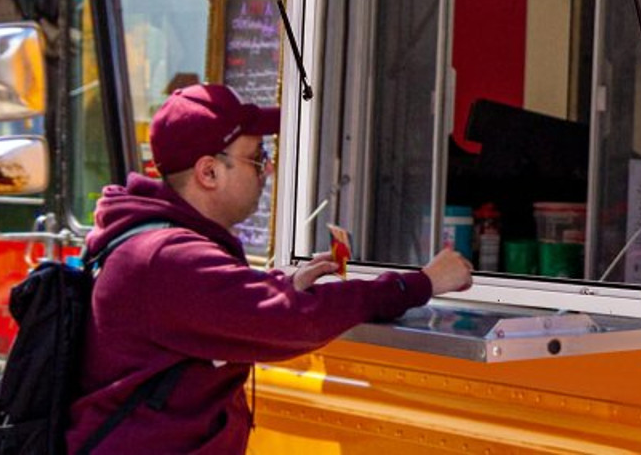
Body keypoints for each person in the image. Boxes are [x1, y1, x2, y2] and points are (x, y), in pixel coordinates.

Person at [66, 83, 472, 454]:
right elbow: (295, 322)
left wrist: (281, 283)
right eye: (257, 158)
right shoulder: (166, 257)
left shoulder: (155, 244)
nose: (269, 170)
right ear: (208, 172)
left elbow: (220, 306)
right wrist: (422, 283)